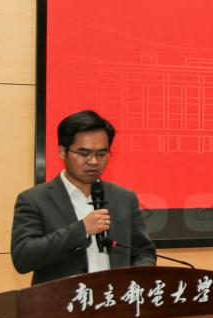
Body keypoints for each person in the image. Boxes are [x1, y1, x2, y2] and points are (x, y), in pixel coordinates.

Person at [11, 109, 157, 284]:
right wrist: (81, 230)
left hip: (114, 299)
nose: (94, 161)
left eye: (101, 154)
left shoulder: (125, 198)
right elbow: (23, 257)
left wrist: (138, 279)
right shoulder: (34, 200)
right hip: (62, 300)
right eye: (84, 153)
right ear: (62, 152)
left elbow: (143, 251)